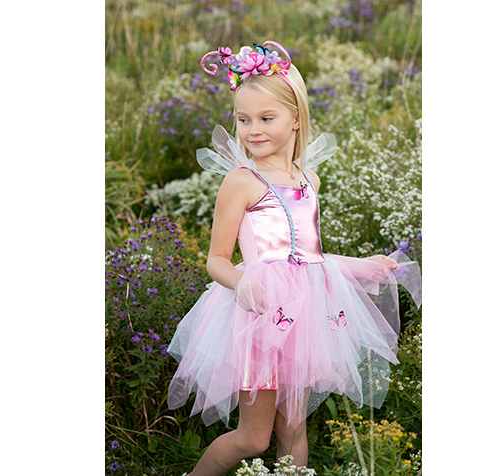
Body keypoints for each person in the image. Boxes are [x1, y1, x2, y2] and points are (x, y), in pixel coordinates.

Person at [167, 41, 421, 475]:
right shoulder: (241, 181)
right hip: (261, 318)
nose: (253, 130)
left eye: (266, 118)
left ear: (296, 119)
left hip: (306, 318)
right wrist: (241, 282)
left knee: (293, 430)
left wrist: (365, 265)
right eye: (243, 119)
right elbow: (217, 259)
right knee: (253, 438)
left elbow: (310, 256)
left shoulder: (309, 179)